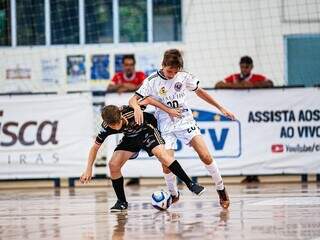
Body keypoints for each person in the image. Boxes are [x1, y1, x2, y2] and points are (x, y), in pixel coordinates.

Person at [129, 49, 235, 209]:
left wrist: (221, 108)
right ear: (163, 65)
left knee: (206, 156)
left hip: (185, 120)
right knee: (166, 163)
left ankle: (221, 189)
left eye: (175, 71)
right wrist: (136, 108)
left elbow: (201, 92)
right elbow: (133, 100)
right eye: (169, 71)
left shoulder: (184, 77)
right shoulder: (152, 81)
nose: (172, 75)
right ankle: (174, 194)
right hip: (165, 124)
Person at [80, 104, 205, 212]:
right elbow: (95, 148)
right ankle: (121, 202)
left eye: (118, 123)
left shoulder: (131, 111)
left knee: (162, 156)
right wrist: (88, 169)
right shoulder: (106, 127)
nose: (117, 127)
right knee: (113, 165)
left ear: (120, 115)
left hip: (147, 132)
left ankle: (191, 184)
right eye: (113, 126)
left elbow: (148, 98)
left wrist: (137, 105)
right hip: (130, 138)